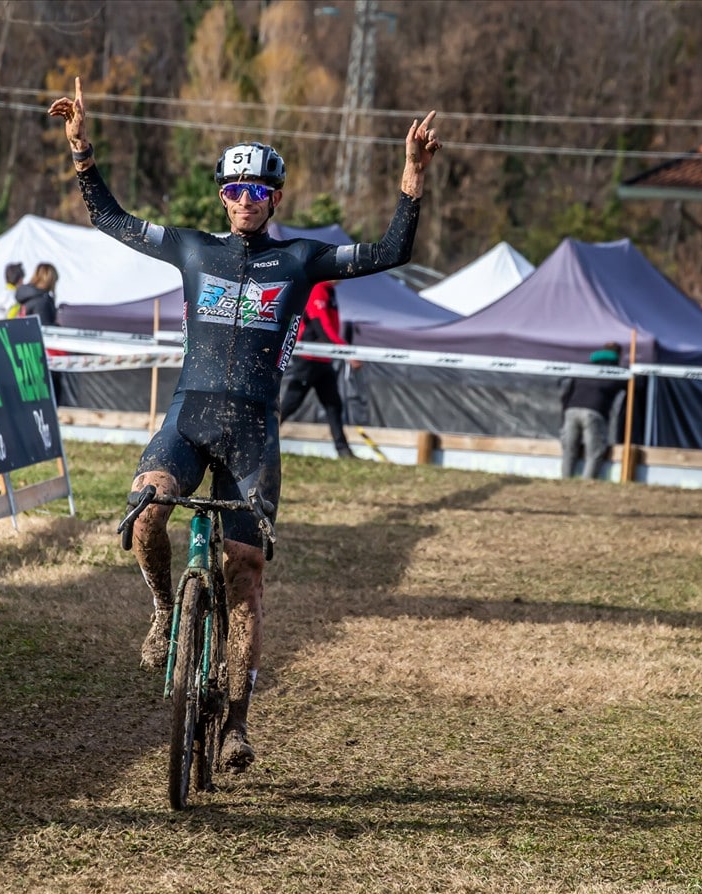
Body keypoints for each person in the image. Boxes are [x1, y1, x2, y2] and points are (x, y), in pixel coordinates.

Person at [49, 77, 441, 772]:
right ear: (220, 196)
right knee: (145, 514)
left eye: (257, 192)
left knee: (246, 574)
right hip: (190, 418)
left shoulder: (302, 260)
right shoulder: (193, 249)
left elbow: (388, 253)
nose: (244, 202)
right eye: (234, 191)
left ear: (274, 200)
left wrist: (411, 181)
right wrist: (82, 151)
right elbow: (111, 220)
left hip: (253, 431)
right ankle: (166, 609)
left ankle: (235, 724)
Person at [278, 280, 357, 459]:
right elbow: (321, 326)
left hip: (323, 359)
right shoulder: (318, 288)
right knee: (290, 403)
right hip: (308, 358)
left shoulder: (329, 291)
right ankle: (264, 441)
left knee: (333, 405)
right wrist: (345, 350)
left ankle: (343, 450)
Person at [560, 342, 627, 479]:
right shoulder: (616, 370)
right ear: (618, 355)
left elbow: (567, 392)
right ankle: (587, 482)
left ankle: (565, 480)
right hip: (594, 411)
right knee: (595, 451)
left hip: (571, 410)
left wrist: (565, 412)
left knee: (569, 449)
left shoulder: (584, 367)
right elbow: (635, 384)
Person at [9, 263, 65, 405]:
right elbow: (46, 330)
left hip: (25, 355)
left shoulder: (26, 298)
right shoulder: (42, 301)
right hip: (42, 359)